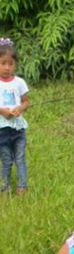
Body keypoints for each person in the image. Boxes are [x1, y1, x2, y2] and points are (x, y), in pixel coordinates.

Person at [0, 38, 29, 194]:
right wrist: (2, 111)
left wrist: (19, 109)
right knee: (6, 160)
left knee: (20, 158)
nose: (7, 68)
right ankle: (4, 188)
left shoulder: (19, 82)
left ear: (15, 65)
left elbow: (26, 102)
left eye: (10, 64)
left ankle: (22, 187)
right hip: (2, 131)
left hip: (18, 129)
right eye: (3, 63)